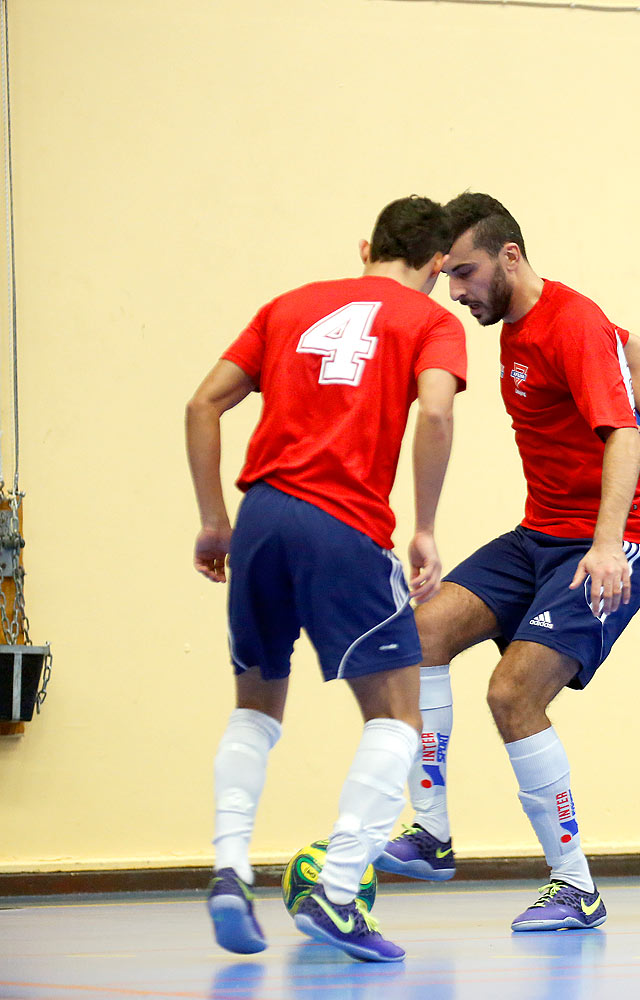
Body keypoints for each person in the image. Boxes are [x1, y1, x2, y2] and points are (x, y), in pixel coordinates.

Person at [374, 193, 640, 931]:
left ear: (510, 257)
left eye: (464, 274)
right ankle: (430, 833)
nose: (455, 292)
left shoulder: (572, 322)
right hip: (539, 536)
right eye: (448, 277)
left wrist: (613, 534)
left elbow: (616, 435)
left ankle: (576, 885)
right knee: (420, 634)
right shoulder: (522, 323)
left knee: (511, 696)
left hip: (608, 546)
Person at [186, 195, 466, 962]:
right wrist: (426, 526)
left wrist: (215, 519)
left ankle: (228, 871)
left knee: (256, 707)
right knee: (399, 719)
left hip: (263, 515)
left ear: (367, 245)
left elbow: (203, 402)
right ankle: (337, 892)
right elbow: (436, 415)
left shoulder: (288, 307)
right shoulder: (430, 322)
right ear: (438, 265)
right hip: (341, 523)